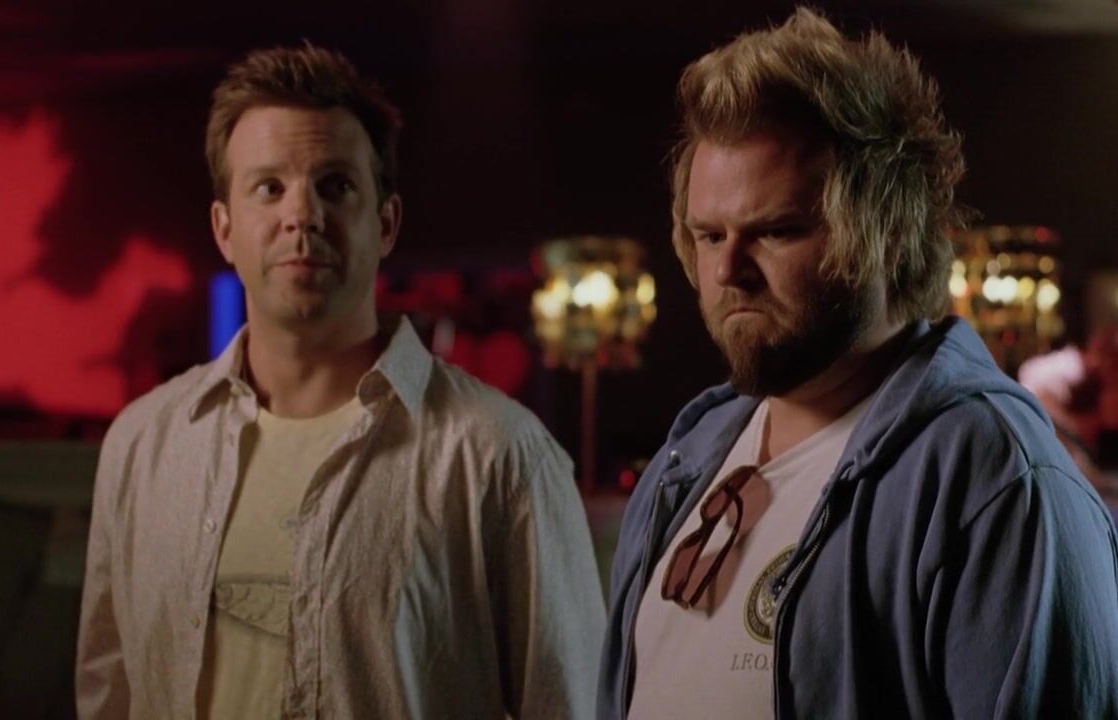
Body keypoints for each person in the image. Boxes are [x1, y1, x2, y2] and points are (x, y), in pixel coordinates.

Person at [599, 9, 1118, 718]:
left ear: (889, 233)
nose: (727, 271)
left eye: (776, 231)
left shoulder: (990, 480)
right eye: (709, 234)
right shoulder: (685, 461)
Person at [76, 45, 604, 719]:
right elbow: (108, 695)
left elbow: (573, 704)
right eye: (269, 188)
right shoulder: (142, 445)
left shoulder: (498, 456)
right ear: (224, 229)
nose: (302, 215)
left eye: (335, 186)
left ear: (385, 224)